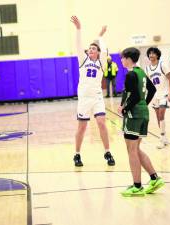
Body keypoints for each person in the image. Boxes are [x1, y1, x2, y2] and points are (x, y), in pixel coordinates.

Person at [118, 47, 164, 196]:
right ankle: (154, 178)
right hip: (143, 113)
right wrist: (143, 103)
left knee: (131, 150)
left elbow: (136, 96)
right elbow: (151, 90)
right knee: (136, 149)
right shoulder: (142, 72)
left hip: (134, 115)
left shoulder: (131, 74)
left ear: (128, 59)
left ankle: (137, 186)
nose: (121, 60)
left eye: (122, 58)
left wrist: (125, 109)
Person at [70, 16, 115, 167]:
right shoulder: (83, 60)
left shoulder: (102, 63)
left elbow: (105, 49)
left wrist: (100, 36)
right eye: (90, 48)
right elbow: (78, 45)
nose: (91, 49)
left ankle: (107, 152)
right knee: (82, 127)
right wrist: (78, 29)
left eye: (93, 48)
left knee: (102, 123)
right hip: (84, 98)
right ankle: (77, 154)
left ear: (98, 52)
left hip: (97, 97)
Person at [145, 47, 170, 149]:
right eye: (150, 53)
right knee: (158, 118)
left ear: (157, 55)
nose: (151, 55)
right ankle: (164, 137)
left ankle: (161, 139)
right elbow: (147, 84)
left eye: (153, 53)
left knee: (161, 115)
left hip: (164, 93)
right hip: (154, 95)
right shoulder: (147, 68)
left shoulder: (162, 65)